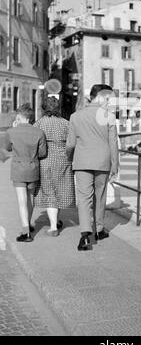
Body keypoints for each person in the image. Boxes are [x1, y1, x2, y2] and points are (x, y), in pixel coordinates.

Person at [66, 84, 119, 251]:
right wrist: (115, 164)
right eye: (108, 98)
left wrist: (70, 157)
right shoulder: (109, 116)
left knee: (84, 198)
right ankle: (99, 230)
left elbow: (70, 144)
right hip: (102, 162)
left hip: (82, 162)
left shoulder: (75, 116)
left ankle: (85, 235)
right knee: (100, 196)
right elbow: (113, 143)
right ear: (101, 97)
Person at [3, 103, 47, 242]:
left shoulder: (11, 132)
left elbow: (8, 148)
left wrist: (14, 129)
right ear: (30, 117)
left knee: (22, 200)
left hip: (18, 169)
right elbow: (42, 153)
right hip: (33, 168)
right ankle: (28, 223)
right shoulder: (39, 132)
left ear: (19, 117)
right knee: (30, 198)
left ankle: (25, 231)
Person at [33, 96, 76, 236]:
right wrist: (68, 156)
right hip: (63, 160)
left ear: (44, 108)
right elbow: (72, 144)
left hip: (45, 161)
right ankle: (56, 220)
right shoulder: (66, 123)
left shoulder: (39, 124)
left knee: (49, 192)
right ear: (58, 108)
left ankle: (53, 227)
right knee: (60, 190)